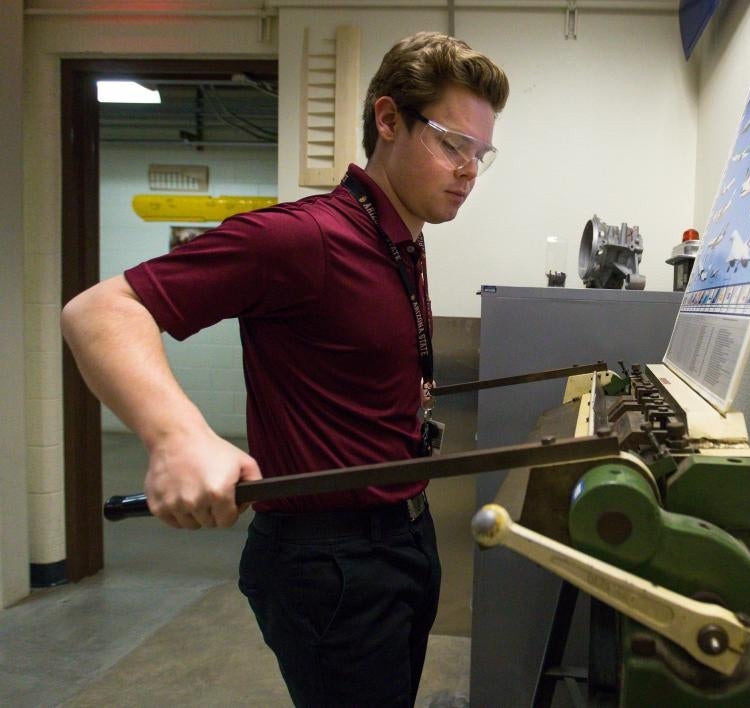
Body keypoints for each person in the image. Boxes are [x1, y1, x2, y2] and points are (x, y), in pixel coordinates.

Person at [61, 31, 509, 707]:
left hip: (402, 537)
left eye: (481, 153)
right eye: (452, 143)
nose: (468, 169)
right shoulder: (304, 238)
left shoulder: (400, 241)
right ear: (388, 120)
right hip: (330, 562)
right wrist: (177, 435)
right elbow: (100, 311)